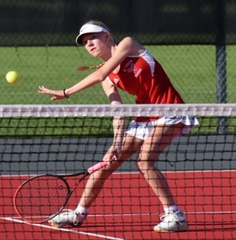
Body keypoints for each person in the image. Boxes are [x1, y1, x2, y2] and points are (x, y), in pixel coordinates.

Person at [39, 20, 198, 232]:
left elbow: (99, 75)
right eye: (85, 42)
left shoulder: (129, 44)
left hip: (170, 110)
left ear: (107, 36)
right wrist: (116, 143)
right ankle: (79, 214)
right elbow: (119, 112)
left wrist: (66, 92)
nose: (89, 44)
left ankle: (176, 216)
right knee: (105, 164)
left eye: (92, 38)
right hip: (145, 116)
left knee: (145, 162)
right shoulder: (108, 79)